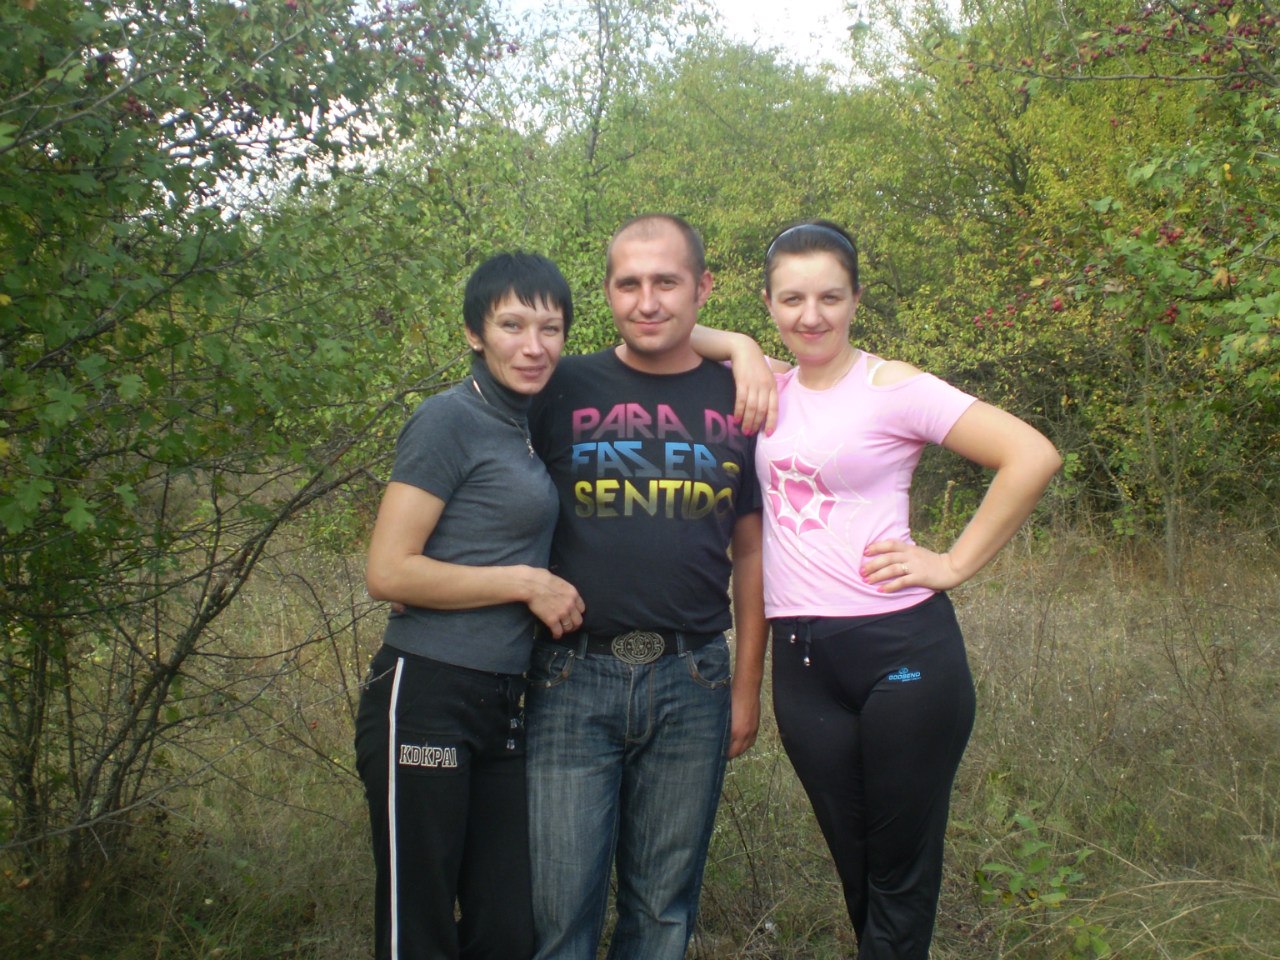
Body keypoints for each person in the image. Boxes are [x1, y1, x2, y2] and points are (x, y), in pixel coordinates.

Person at [711, 219, 1061, 959]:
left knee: (899, 877)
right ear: (768, 303)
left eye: (830, 297)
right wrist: (740, 345)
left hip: (902, 652)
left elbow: (1030, 455)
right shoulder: (767, 385)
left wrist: (954, 563)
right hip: (803, 664)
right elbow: (675, 330)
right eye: (791, 298)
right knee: (860, 870)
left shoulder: (892, 387)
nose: (811, 315)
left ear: (856, 299)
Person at [524, 214, 767, 960]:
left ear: (703, 287)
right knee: (559, 911)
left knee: (662, 912)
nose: (647, 301)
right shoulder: (560, 384)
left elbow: (752, 555)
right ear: (607, 290)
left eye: (667, 281)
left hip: (692, 678)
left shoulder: (742, 395)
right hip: (571, 675)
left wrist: (746, 688)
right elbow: (486, 476)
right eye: (628, 284)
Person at [354, 252, 586, 960]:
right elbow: (388, 571)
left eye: (550, 328)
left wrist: (740, 350)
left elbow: (653, 345)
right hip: (427, 690)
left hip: (505, 700)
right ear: (473, 333)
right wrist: (525, 583)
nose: (533, 345)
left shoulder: (523, 423)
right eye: (512, 325)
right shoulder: (447, 419)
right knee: (419, 922)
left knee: (506, 927)